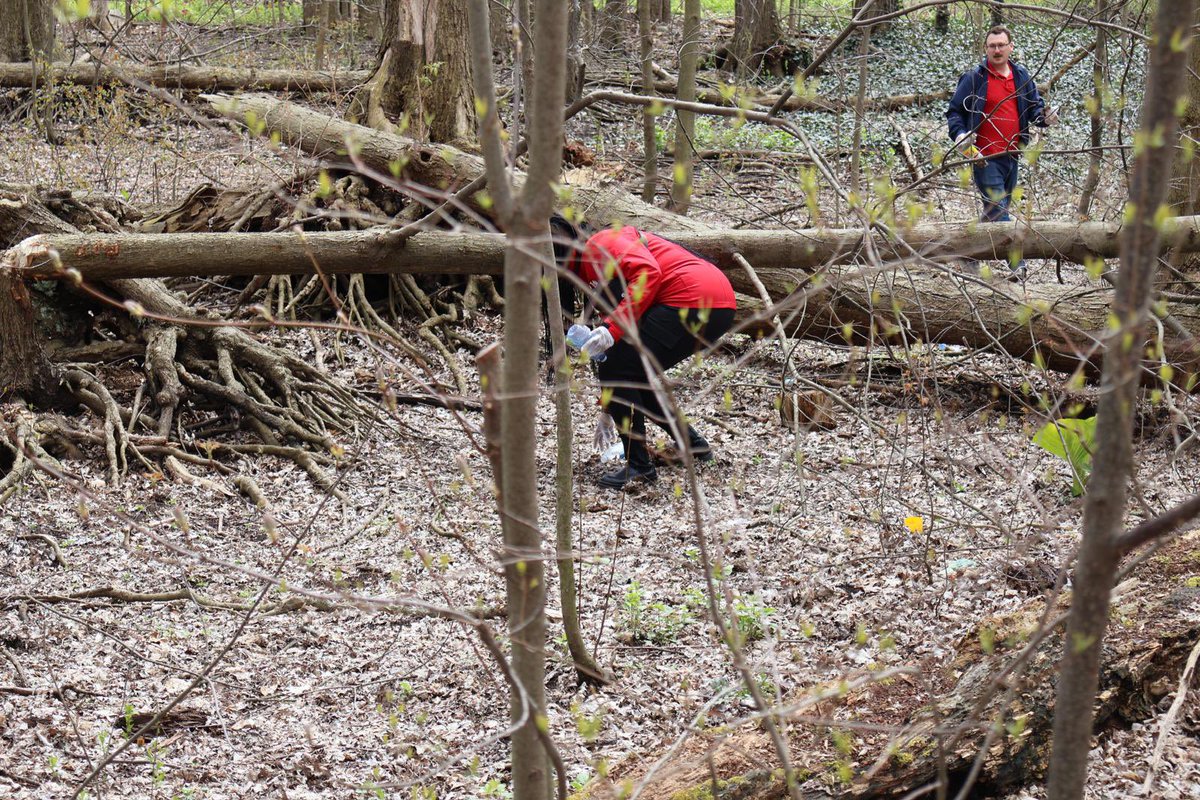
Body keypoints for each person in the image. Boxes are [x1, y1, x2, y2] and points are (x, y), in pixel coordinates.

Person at [550, 216, 737, 489]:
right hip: (715, 305)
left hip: (692, 297)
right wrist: (608, 407)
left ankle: (639, 466)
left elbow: (648, 272)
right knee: (630, 373)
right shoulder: (588, 272)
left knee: (621, 371)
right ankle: (693, 444)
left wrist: (611, 328)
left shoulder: (601, 243)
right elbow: (621, 328)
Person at [946, 24, 1058, 280]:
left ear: (1010, 47)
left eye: (1001, 45)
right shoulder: (974, 78)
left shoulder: (1020, 76)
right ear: (985, 49)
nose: (997, 50)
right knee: (999, 209)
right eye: (992, 46)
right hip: (984, 157)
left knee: (994, 210)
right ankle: (1017, 264)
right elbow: (955, 112)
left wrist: (1046, 117)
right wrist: (961, 137)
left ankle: (967, 254)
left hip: (1012, 155)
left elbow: (1034, 110)